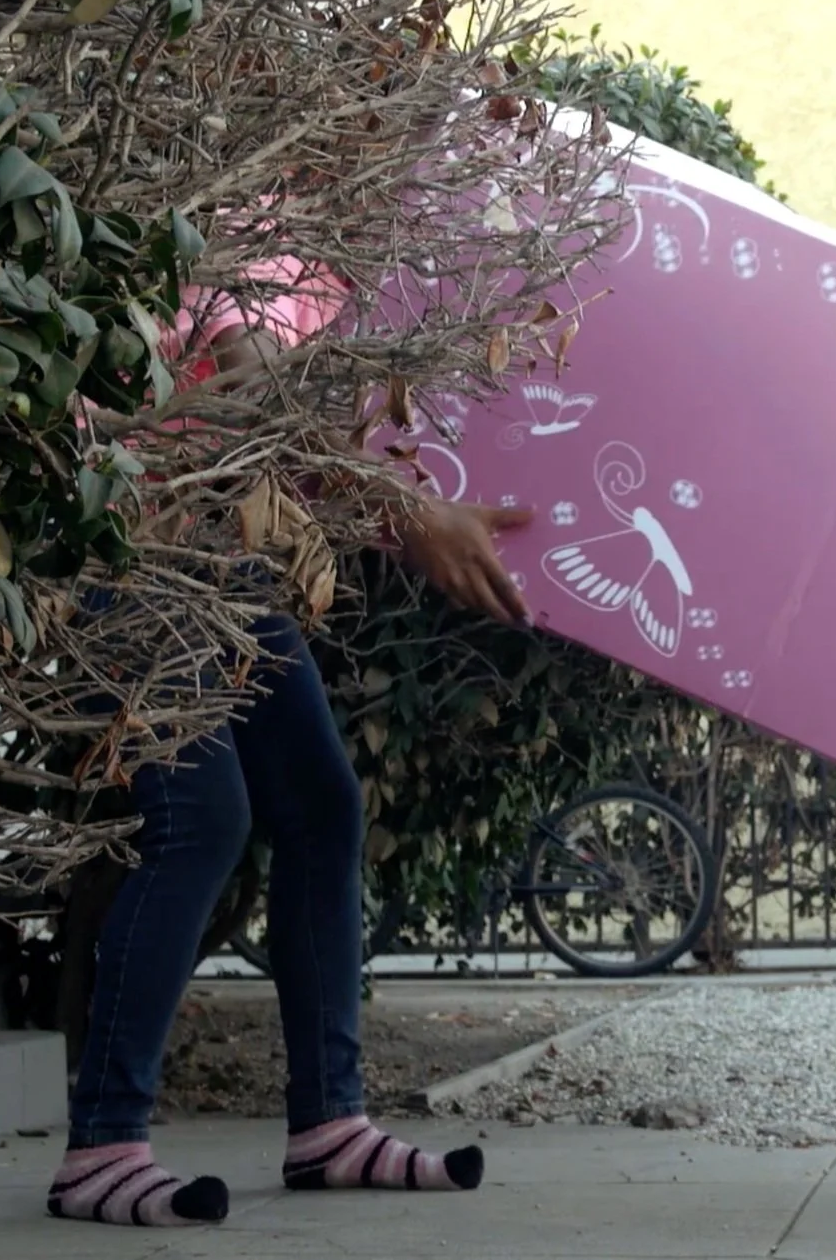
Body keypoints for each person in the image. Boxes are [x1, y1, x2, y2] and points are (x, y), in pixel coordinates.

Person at [49, 288, 531, 1226]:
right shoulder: (265, 186)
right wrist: (411, 513)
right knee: (201, 817)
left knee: (320, 804)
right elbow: (256, 388)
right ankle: (100, 1146)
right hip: (124, 540)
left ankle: (328, 1128)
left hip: (218, 554)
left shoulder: (346, 239)